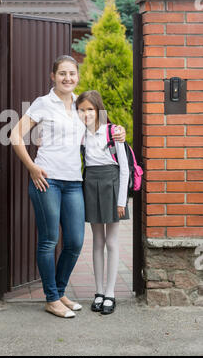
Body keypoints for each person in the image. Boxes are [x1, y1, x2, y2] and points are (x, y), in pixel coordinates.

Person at [10, 56, 126, 319]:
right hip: (46, 180)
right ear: (53, 76)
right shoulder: (43, 103)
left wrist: (120, 133)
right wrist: (31, 167)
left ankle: (59, 291)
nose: (67, 78)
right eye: (62, 73)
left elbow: (101, 130)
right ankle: (52, 298)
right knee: (49, 240)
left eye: (72, 74)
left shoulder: (79, 105)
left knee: (74, 241)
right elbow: (15, 135)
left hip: (75, 183)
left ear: (78, 77)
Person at [76, 90, 129, 315]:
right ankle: (98, 292)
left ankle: (110, 293)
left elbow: (124, 168)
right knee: (96, 241)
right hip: (91, 184)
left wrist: (122, 200)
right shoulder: (79, 134)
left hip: (112, 184)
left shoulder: (113, 131)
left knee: (111, 242)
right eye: (81, 110)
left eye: (90, 109)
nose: (86, 114)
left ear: (99, 110)